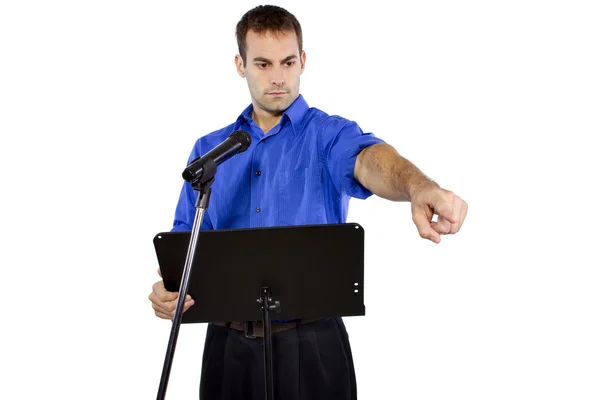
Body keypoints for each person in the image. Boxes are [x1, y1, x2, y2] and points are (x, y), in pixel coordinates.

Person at [149, 4, 468, 400]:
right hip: (227, 349)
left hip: (313, 346)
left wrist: (418, 187)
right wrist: (170, 289)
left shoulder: (328, 136)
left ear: (303, 60)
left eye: (287, 62)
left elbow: (371, 160)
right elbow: (186, 240)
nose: (278, 77)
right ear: (240, 64)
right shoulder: (210, 150)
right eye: (263, 64)